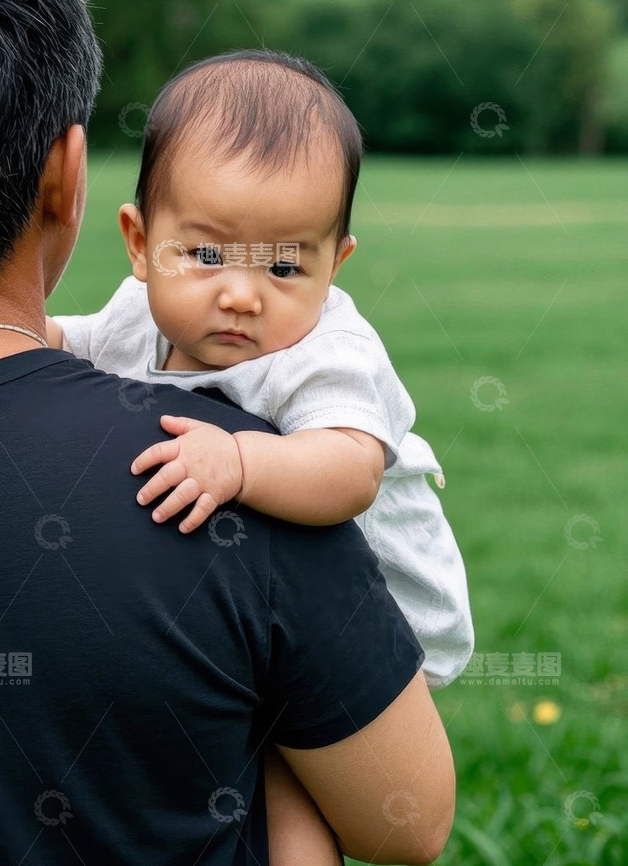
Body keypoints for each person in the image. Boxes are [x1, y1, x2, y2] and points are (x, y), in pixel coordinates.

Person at [0, 0, 455, 865]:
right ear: (68, 177)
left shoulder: (275, 435)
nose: (239, 292)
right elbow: (409, 825)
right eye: (207, 252)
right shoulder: (208, 479)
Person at [48, 48, 473, 862]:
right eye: (206, 255)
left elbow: (350, 469)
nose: (242, 293)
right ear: (140, 241)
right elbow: (75, 341)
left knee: (284, 767)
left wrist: (241, 461)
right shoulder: (140, 310)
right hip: (264, 610)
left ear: (334, 264)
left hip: (380, 611)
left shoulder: (325, 351)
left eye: (284, 265)